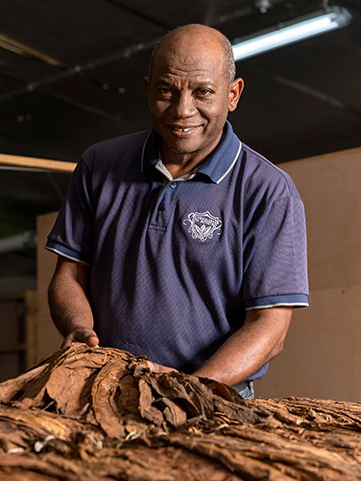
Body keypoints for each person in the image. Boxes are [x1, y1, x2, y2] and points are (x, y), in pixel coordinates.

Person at [46, 24, 308, 399]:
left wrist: (190, 389)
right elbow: (69, 274)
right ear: (148, 89)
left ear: (232, 94)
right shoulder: (98, 165)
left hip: (211, 395)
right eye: (167, 91)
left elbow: (270, 328)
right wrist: (78, 328)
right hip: (101, 388)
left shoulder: (268, 191)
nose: (183, 111)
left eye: (203, 92)